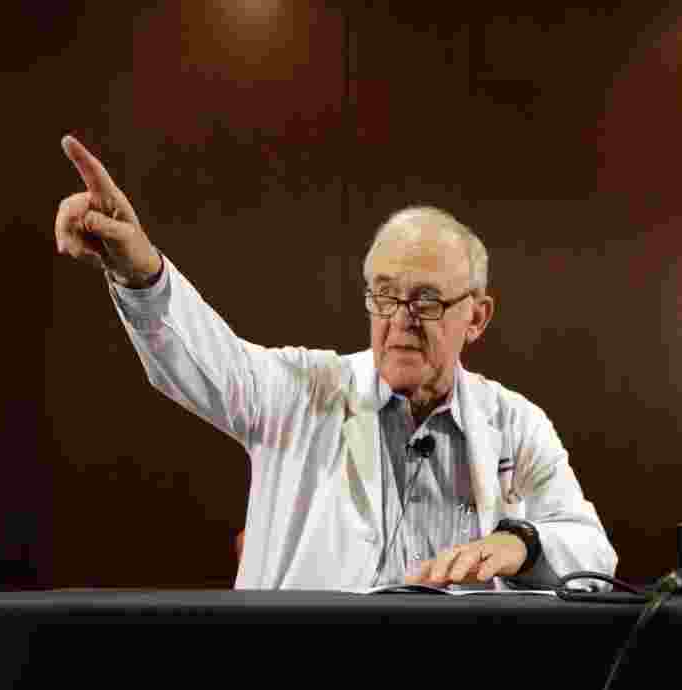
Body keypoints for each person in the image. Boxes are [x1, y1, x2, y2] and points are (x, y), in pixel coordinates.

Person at [53, 135, 616, 591]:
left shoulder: (516, 424)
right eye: (384, 295)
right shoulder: (304, 391)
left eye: (425, 300)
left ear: (477, 317)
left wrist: (521, 542)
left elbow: (591, 550)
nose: (400, 319)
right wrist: (139, 271)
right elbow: (207, 361)